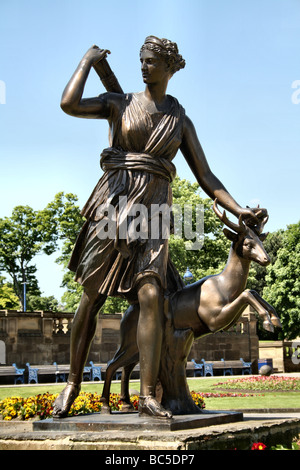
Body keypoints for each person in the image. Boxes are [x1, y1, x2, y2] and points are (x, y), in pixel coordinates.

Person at [53, 36, 263, 419]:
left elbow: (207, 176)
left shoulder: (179, 120)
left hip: (155, 211)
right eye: (141, 61)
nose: (144, 67)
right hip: (114, 205)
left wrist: (238, 210)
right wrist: (87, 61)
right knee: (92, 296)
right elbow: (69, 104)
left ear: (170, 68)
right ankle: (72, 384)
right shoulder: (119, 103)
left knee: (151, 294)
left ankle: (149, 395)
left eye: (152, 62)